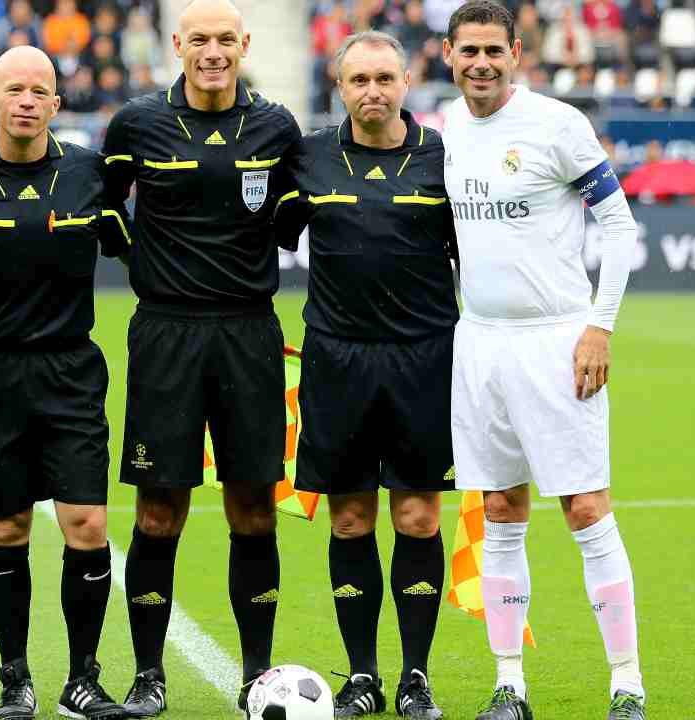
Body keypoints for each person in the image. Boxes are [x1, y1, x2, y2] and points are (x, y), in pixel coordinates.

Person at [438, 3, 646, 719]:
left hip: (557, 339)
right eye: (469, 51)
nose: (482, 63)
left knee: (586, 508)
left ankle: (626, 684)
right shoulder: (446, 127)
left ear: (517, 53)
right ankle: (509, 685)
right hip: (481, 342)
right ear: (449, 54)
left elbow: (618, 226)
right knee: (498, 508)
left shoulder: (558, 124)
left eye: (494, 50)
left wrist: (600, 327)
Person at [0, 45, 131, 720]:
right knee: (6, 529)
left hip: (70, 371)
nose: (28, 101)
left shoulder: (90, 176)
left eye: (41, 90)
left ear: (57, 105)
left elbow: (145, 248)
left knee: (87, 524)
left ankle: (83, 681)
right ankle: (16, 681)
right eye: (15, 89)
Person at [100, 0, 302, 715]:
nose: (212, 51)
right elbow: (99, 208)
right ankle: (149, 675)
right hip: (165, 335)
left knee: (253, 506)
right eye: (199, 40)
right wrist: (144, 260)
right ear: (176, 45)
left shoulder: (277, 128)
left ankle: (257, 673)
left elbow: (295, 216)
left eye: (225, 40)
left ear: (244, 45)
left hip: (248, 336)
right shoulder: (136, 125)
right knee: (159, 510)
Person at [275, 30, 457, 720]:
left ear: (407, 81)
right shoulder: (310, 157)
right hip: (336, 359)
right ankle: (361, 676)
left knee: (416, 515)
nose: (373, 91)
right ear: (339, 85)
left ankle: (415, 677)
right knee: (349, 519)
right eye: (360, 80)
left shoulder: (444, 157)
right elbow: (258, 234)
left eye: (385, 78)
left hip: (424, 359)